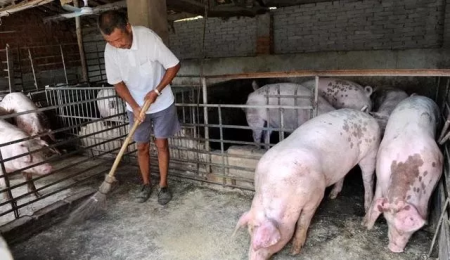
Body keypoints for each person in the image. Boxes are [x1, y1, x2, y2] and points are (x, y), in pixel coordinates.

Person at [98, 10, 181, 205]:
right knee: (141, 146)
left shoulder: (148, 38)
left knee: (161, 144)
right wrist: (135, 107)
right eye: (111, 42)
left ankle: (163, 186)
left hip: (161, 102)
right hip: (135, 105)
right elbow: (117, 83)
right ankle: (146, 184)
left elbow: (174, 65)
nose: (117, 45)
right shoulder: (110, 51)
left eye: (119, 39)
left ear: (127, 27)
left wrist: (157, 91)